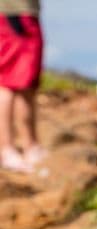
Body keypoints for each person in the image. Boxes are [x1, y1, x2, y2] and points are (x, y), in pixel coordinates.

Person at [0, 0, 44, 173]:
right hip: (14, 13)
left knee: (25, 83)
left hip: (19, 12)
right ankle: (7, 149)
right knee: (8, 82)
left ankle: (30, 146)